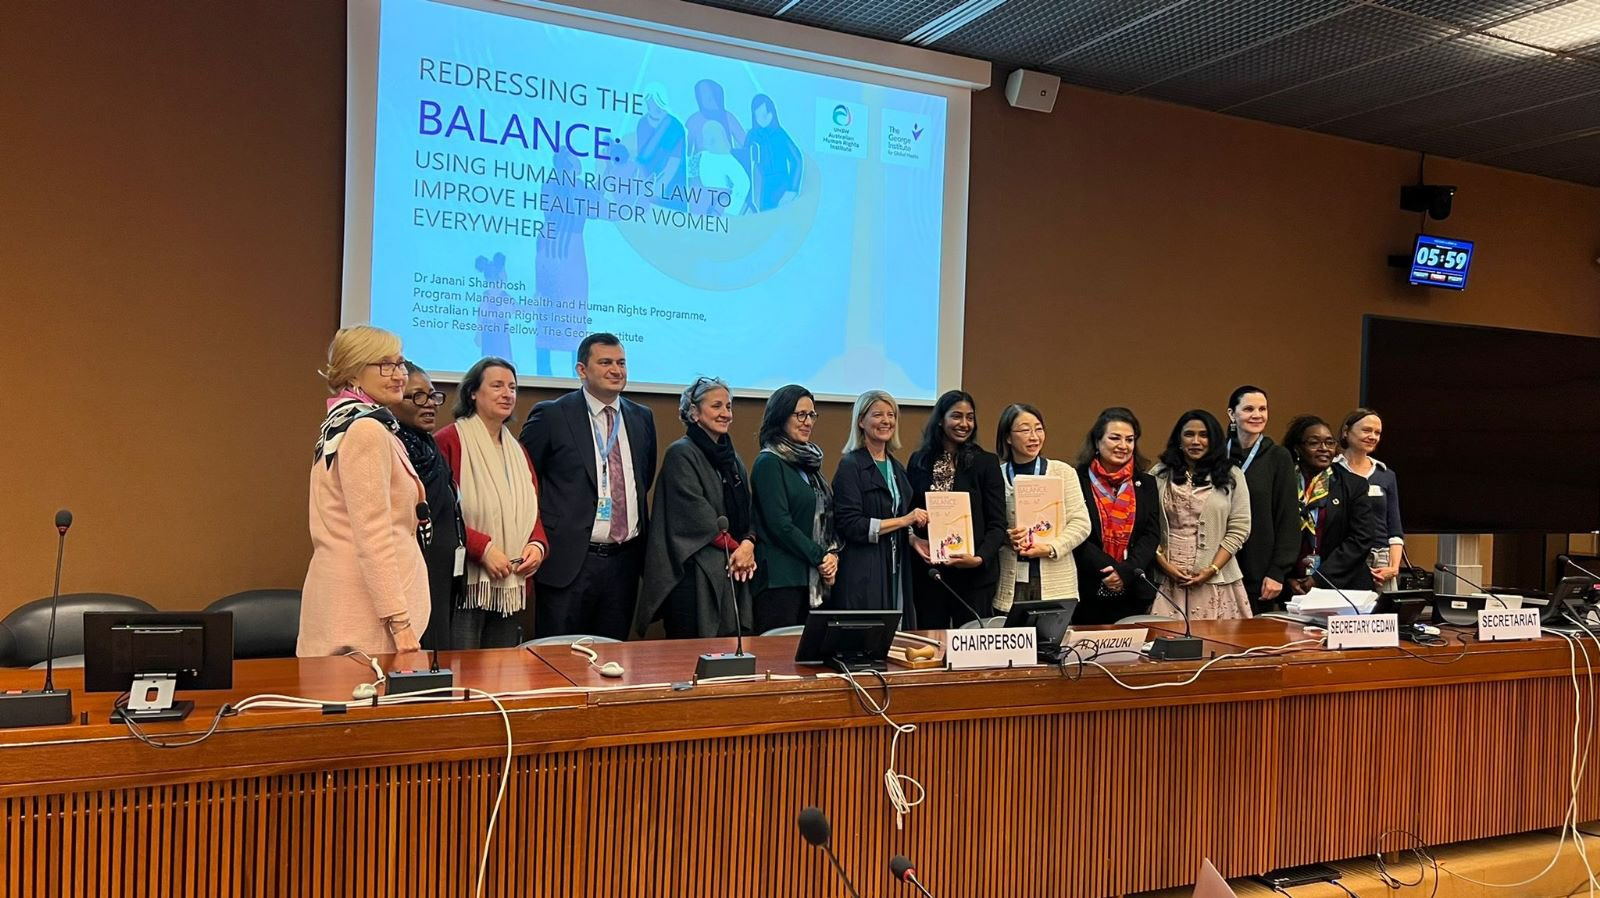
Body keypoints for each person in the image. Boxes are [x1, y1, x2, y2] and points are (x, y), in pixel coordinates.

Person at [298, 326, 430, 657]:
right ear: (354, 371)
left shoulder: (344, 423)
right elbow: (373, 535)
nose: (399, 374)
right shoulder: (366, 430)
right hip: (364, 621)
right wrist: (399, 621)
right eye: (385, 365)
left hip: (353, 611)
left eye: (400, 363)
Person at [519, 333, 656, 640]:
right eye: (605, 362)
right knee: (558, 656)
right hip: (568, 563)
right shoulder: (552, 415)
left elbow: (643, 479)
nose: (616, 370)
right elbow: (524, 480)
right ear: (581, 370)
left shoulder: (642, 417)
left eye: (621, 363)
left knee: (613, 657)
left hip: (624, 563)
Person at [434, 357, 548, 648]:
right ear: (473, 392)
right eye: (497, 386)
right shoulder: (448, 441)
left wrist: (537, 546)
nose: (507, 394)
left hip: (511, 581)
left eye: (512, 387)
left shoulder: (517, 450)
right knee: (463, 668)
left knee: (503, 669)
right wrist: (482, 549)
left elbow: (531, 510)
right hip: (465, 585)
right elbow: (440, 514)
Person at [636, 377, 756, 638]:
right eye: (716, 406)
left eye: (729, 406)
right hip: (692, 576)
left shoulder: (733, 459)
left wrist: (748, 544)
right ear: (694, 412)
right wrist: (740, 550)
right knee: (691, 654)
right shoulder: (681, 454)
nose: (726, 413)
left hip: (732, 569)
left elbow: (748, 511)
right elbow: (698, 518)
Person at [908, 390, 1007, 628]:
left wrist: (979, 558)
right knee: (931, 642)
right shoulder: (919, 461)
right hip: (931, 575)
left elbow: (998, 524)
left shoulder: (986, 462)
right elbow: (909, 513)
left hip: (974, 576)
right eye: (956, 416)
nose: (964, 424)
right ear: (940, 420)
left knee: (973, 643)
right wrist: (913, 539)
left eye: (970, 417)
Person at [384, 363, 463, 650]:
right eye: (418, 396)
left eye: (432, 396)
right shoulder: (392, 447)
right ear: (393, 400)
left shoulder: (429, 445)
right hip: (412, 572)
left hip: (441, 571)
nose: (429, 404)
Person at [831, 390, 926, 624]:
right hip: (864, 571)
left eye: (891, 415)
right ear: (861, 421)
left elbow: (897, 514)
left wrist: (913, 538)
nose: (886, 421)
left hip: (897, 567)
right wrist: (905, 520)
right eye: (877, 415)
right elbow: (851, 525)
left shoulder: (897, 468)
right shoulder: (850, 466)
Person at [750, 385, 838, 633]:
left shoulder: (808, 464)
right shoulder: (768, 462)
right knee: (779, 654)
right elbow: (780, 524)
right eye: (800, 415)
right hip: (780, 582)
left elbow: (825, 518)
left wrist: (832, 555)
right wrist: (820, 556)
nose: (807, 422)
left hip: (811, 579)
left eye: (811, 415)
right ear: (781, 416)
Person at [1150, 410, 1253, 620]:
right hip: (1166, 577)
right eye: (1189, 434)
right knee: (1164, 637)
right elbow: (1145, 526)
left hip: (1216, 578)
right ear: (1179, 440)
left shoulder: (1232, 475)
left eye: (1204, 435)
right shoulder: (1159, 473)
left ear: (1214, 440)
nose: (1196, 441)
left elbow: (1240, 528)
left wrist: (1212, 569)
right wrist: (1165, 565)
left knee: (1216, 638)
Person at [991, 404, 1091, 614]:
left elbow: (1081, 523)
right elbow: (989, 524)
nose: (1034, 437)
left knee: (1052, 635)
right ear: (1008, 437)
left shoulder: (1063, 472)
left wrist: (1051, 547)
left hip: (1056, 578)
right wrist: (1006, 537)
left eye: (1038, 429)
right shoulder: (995, 475)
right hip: (1010, 578)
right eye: (1025, 430)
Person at [1072, 408, 1161, 624]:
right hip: (1088, 586)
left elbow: (1151, 534)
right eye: (1115, 438)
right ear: (1097, 441)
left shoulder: (1146, 483)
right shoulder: (1076, 479)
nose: (1123, 445)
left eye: (1129, 440)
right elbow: (1075, 533)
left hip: (1133, 587)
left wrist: (1125, 572)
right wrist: (1108, 570)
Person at [1284, 415, 1381, 594]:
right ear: (1297, 448)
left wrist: (1319, 578)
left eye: (1329, 443)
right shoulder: (1282, 483)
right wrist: (1284, 577)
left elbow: (1361, 538)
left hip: (1342, 585)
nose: (1324, 448)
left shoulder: (1353, 485)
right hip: (1291, 585)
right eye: (1314, 443)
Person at [1224, 386, 1300, 613]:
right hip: (1217, 568)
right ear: (1232, 414)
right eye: (1249, 409)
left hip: (1259, 573)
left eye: (1262, 409)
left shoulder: (1278, 457)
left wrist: (1277, 571)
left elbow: (1287, 518)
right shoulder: (1217, 454)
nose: (1257, 415)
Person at [1335, 408, 1405, 590]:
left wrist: (1393, 568)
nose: (1372, 436)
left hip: (1382, 559)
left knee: (1385, 608)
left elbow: (1394, 528)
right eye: (1366, 430)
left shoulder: (1386, 474)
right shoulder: (1332, 471)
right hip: (1345, 556)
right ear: (1346, 431)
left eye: (1377, 432)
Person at [744, 94, 802, 212]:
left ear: (772, 113)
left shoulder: (780, 134)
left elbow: (797, 160)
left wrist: (791, 190)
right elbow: (744, 159)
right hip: (759, 184)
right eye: (759, 116)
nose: (763, 119)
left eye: (766, 114)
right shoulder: (752, 135)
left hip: (780, 184)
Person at [685, 79, 746, 157]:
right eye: (701, 93)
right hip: (703, 162)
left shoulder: (728, 117)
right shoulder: (694, 120)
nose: (705, 96)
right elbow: (687, 150)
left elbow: (745, 142)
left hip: (726, 161)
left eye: (707, 92)